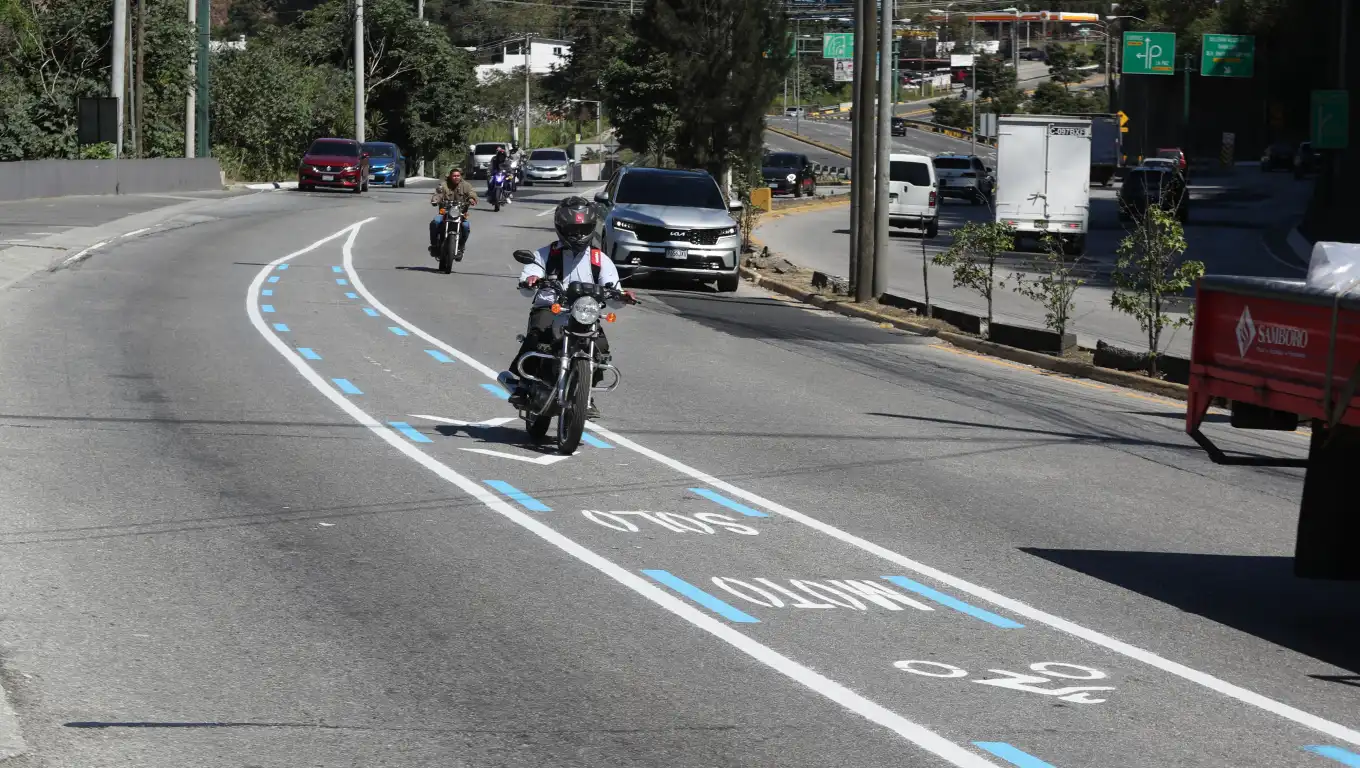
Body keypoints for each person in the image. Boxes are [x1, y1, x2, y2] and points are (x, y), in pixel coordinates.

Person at [500, 197, 635, 419]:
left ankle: (586, 393)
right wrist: (532, 280)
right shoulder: (545, 255)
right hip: (551, 307)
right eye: (572, 229)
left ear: (591, 228)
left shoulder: (599, 260)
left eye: (583, 229)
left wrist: (622, 296)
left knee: (601, 346)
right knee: (538, 334)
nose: (578, 234)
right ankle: (522, 384)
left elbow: (613, 291)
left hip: (584, 311)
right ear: (561, 228)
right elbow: (527, 283)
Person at [429, 167, 477, 258]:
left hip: (460, 214)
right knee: (434, 223)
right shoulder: (444, 185)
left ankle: (461, 247)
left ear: (461, 176)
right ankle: (434, 245)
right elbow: (438, 193)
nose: (456, 177)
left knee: (466, 226)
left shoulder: (466, 185)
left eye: (458, 176)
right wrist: (435, 200)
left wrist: (472, 199)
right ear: (450, 176)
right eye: (454, 176)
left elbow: (472, 193)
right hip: (445, 213)